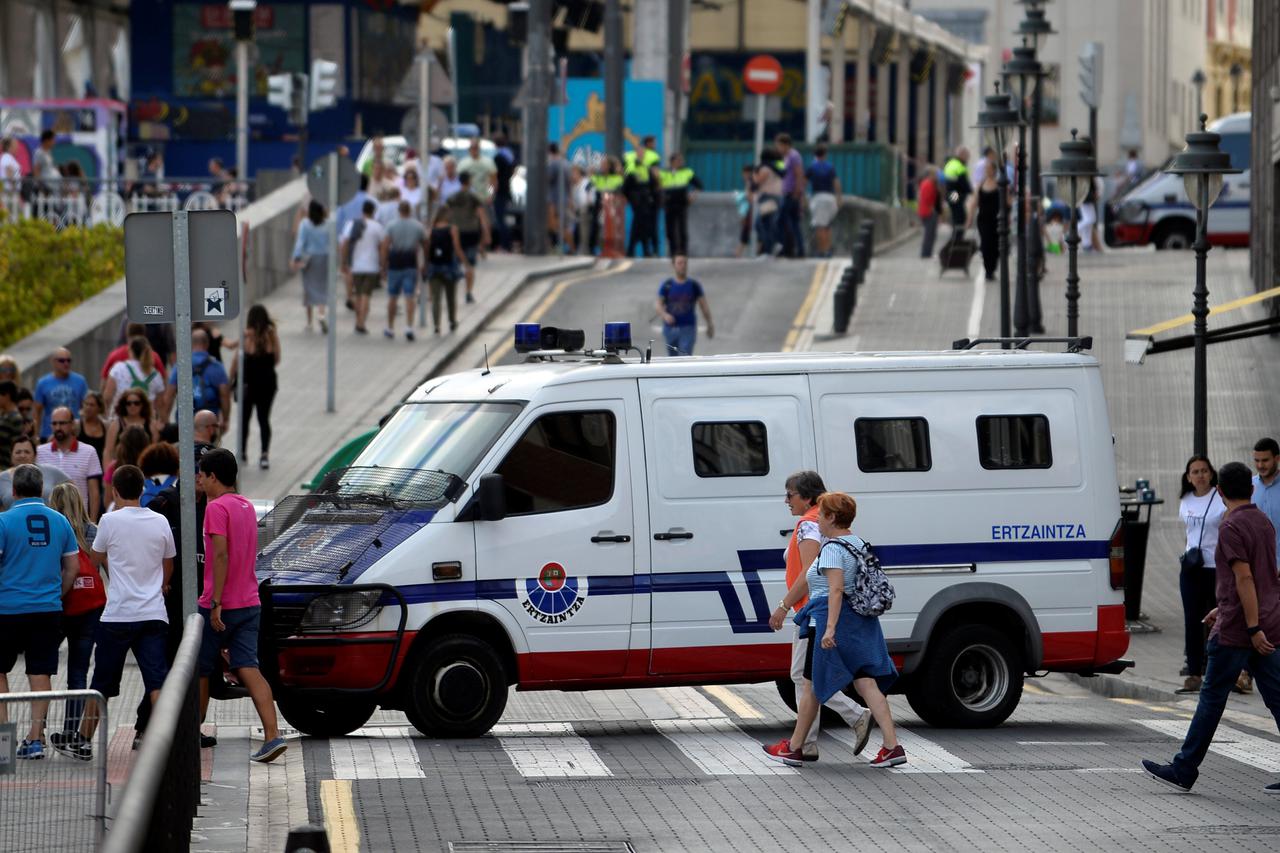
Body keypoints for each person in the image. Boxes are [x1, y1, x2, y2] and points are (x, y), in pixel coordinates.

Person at [1142, 461, 1280, 795]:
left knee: (1211, 699)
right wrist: (1227, 605)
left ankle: (1184, 768)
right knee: (1277, 697)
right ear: (1250, 490)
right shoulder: (1263, 521)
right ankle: (1184, 767)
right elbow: (1262, 576)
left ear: (1219, 491)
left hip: (1239, 631)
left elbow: (1246, 578)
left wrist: (1249, 627)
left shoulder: (1231, 527)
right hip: (1266, 622)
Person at [762, 492, 904, 768]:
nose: (817, 519)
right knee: (865, 682)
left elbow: (835, 589)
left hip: (830, 622)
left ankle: (793, 748)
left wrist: (829, 630)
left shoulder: (832, 549)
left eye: (821, 514)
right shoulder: (859, 543)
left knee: (812, 684)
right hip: (861, 623)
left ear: (831, 517)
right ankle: (892, 746)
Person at [54, 464, 175, 760]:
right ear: (143, 490)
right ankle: (168, 739)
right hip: (153, 612)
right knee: (156, 680)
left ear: (115, 491)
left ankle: (83, 740)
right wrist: (161, 585)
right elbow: (168, 562)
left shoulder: (109, 521)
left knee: (102, 683)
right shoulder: (160, 521)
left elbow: (95, 558)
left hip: (119, 614)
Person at [767, 472, 872, 762]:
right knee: (806, 676)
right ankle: (807, 743)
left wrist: (784, 605)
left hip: (810, 609)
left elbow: (808, 572)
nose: (787, 500)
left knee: (804, 676)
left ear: (807, 496)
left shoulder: (807, 526)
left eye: (790, 494)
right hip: (821, 608)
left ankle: (854, 717)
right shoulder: (823, 521)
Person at [196, 449, 287, 763]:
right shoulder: (246, 506)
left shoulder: (216, 508)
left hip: (221, 604)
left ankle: (192, 732)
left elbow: (220, 555)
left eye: (201, 475)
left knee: (200, 670)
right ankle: (273, 735)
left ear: (213, 477)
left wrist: (217, 604)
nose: (198, 480)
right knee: (249, 667)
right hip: (250, 600)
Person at [0, 464, 80, 760]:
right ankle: (35, 739)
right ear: (41, 488)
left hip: (6, 609)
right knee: (39, 672)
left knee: (0, 672)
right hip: (47, 610)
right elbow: (71, 568)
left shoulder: (3, 521)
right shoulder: (60, 522)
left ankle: (3, 745)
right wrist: (55, 595)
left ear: (14, 490)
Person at [47, 481, 103, 751]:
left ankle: (38, 728)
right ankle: (71, 730)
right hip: (90, 608)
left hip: (58, 606)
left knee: (41, 669)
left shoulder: (53, 530)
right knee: (79, 671)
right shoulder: (93, 531)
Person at [1176, 456, 1226, 694]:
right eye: (1195, 472)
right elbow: (1189, 532)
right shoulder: (1185, 499)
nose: (1200, 475)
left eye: (1204, 471)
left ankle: (1222, 671)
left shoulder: (1220, 499)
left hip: (1215, 568)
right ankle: (1194, 672)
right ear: (1188, 477)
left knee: (1219, 620)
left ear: (1211, 473)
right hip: (1192, 568)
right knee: (1192, 620)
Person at [232, 305, 280, 470]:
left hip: (248, 385)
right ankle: (264, 454)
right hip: (268, 385)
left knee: (244, 419)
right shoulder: (271, 335)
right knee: (263, 419)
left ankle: (242, 452)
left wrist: (231, 380)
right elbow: (277, 359)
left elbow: (236, 360)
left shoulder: (246, 337)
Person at [37, 406, 102, 518]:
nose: (58, 427)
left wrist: (92, 523)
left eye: (62, 423)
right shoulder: (40, 452)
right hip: (47, 519)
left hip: (78, 520)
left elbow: (94, 492)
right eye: (54, 423)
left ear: (72, 424)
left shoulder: (89, 451)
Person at [160, 329, 231, 428]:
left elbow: (169, 394)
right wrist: (226, 419)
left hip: (185, 420)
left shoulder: (180, 365)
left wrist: (164, 419)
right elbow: (225, 394)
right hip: (209, 421)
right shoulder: (216, 366)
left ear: (190, 344)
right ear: (207, 344)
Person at [381, 201, 428, 341]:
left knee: (392, 297)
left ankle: (390, 327)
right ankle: (409, 326)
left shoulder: (391, 225)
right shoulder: (418, 226)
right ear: (410, 211)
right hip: (410, 261)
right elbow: (425, 244)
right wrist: (425, 262)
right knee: (409, 296)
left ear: (398, 211)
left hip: (395, 261)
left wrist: (383, 265)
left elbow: (385, 246)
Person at [445, 172, 490, 305]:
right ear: (469, 181)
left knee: (454, 264)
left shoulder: (452, 197)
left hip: (456, 232)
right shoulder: (473, 197)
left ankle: (451, 293)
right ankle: (468, 292)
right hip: (471, 233)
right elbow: (481, 216)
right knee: (470, 265)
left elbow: (447, 214)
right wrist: (486, 234)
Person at [656, 255, 714, 357]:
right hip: (670, 329)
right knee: (672, 360)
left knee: (684, 358)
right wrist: (665, 315)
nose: (683, 266)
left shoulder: (693, 285)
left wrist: (709, 324)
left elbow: (704, 306)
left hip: (688, 328)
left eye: (685, 263)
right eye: (679, 263)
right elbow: (658, 305)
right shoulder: (667, 285)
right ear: (673, 265)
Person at [426, 207, 468, 334]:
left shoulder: (431, 230)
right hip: (449, 267)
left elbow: (427, 249)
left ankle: (436, 325)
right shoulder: (452, 229)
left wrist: (426, 265)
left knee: (436, 298)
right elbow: (456, 247)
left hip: (434, 267)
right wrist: (466, 263)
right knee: (451, 297)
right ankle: (452, 321)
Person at [290, 200, 330, 333]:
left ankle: (309, 322)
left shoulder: (305, 224)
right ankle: (322, 315)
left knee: (308, 289)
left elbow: (300, 242)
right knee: (322, 288)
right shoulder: (328, 224)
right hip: (324, 258)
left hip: (309, 259)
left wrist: (296, 258)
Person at [33, 348, 89, 441]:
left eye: (69, 360)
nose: (66, 363)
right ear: (53, 362)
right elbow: (37, 412)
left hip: (74, 434)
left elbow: (85, 407)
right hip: (49, 433)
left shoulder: (80, 381)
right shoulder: (43, 383)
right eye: (62, 360)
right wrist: (36, 435)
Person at [0, 436, 69, 510]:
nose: (22, 455)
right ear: (11, 455)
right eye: (18, 452)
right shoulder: (1, 478)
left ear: (35, 455)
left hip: (50, 520)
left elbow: (71, 491)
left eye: (27, 452)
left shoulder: (51, 471)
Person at [103, 335, 165, 413]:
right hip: (146, 421)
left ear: (130, 350)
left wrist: (107, 414)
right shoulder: (155, 375)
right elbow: (160, 404)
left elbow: (107, 397)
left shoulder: (118, 369)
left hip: (122, 419)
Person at [966, 148, 1002, 282]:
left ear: (994, 170)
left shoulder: (1000, 185)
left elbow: (1008, 202)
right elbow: (974, 203)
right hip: (984, 220)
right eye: (986, 169)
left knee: (996, 246)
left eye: (989, 168)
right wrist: (969, 219)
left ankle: (993, 267)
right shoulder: (980, 185)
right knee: (986, 245)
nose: (987, 170)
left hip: (997, 220)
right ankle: (988, 270)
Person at [104, 389, 161, 471]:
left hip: (146, 470)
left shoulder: (151, 425)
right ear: (124, 405)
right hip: (121, 470)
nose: (132, 406)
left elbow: (156, 450)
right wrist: (108, 472)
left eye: (136, 403)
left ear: (142, 405)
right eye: (128, 403)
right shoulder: (115, 425)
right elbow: (108, 451)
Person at [659, 153, 702, 258]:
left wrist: (693, 196)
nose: (681, 162)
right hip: (669, 204)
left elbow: (699, 184)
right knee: (670, 230)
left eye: (681, 160)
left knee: (682, 229)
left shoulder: (687, 172)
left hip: (682, 203)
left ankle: (683, 252)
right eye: (678, 160)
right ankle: (673, 252)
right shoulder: (664, 173)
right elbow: (658, 186)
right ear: (672, 162)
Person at [103, 424, 152, 511]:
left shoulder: (113, 468)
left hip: (118, 516)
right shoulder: (152, 468)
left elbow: (107, 501)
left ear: (123, 445)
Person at [806, 144, 842, 258]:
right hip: (830, 198)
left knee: (820, 226)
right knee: (827, 226)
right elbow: (836, 183)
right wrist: (839, 198)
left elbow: (803, 183)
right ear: (825, 154)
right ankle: (828, 249)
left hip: (818, 197)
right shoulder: (830, 167)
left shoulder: (812, 167)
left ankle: (823, 250)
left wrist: (802, 198)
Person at [100, 323, 166, 382]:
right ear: (144, 335)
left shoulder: (115, 356)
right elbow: (163, 382)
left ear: (127, 335)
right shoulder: (153, 356)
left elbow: (104, 381)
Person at [776, 133, 806, 258]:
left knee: (780, 221)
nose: (777, 148)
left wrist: (797, 192)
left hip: (792, 194)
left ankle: (788, 247)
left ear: (785, 144)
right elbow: (781, 171)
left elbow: (799, 174)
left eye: (779, 145)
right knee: (793, 224)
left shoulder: (794, 156)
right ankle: (796, 249)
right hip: (785, 193)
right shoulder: (785, 157)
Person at [1252, 437, 1280, 561]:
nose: (1260, 465)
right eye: (1256, 460)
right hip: (1257, 566)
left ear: (1277, 458)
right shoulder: (1248, 486)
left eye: (1265, 460)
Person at [753, 149, 785, 257]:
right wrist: (780, 159)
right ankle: (774, 245)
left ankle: (769, 250)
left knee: (761, 224)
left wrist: (754, 175)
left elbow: (757, 182)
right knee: (770, 224)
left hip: (768, 197)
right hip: (777, 197)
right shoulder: (777, 167)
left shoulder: (765, 168)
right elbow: (783, 170)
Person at [492, 133, 517, 250]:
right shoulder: (509, 154)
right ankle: (509, 243)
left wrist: (493, 191)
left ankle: (505, 244)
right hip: (507, 189)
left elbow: (495, 176)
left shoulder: (498, 157)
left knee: (500, 219)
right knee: (505, 218)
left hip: (500, 191)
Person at [458, 138, 497, 207]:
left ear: (479, 148)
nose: (474, 150)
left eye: (476, 147)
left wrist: (490, 196)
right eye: (472, 147)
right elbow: (459, 182)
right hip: (468, 199)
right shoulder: (463, 163)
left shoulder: (488, 162)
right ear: (469, 149)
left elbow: (493, 182)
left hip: (483, 198)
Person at [943, 147, 972, 235]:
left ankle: (956, 235)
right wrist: (971, 191)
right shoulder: (959, 166)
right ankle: (957, 238)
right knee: (959, 216)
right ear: (962, 155)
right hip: (956, 194)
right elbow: (963, 183)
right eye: (967, 156)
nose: (968, 158)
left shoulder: (950, 163)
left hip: (950, 193)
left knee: (956, 215)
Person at [78, 391, 108, 466]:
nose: (88, 407)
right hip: (81, 465)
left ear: (99, 408)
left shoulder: (106, 426)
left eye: (92, 405)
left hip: (99, 466)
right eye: (86, 404)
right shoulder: (76, 425)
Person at [0, 381, 25, 469]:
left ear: (6, 396)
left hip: (6, 466)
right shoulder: (4, 415)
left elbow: (16, 443)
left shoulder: (15, 418)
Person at [918, 164, 940, 258]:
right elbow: (927, 199)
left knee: (931, 234)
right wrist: (932, 209)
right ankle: (926, 253)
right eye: (935, 174)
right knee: (929, 234)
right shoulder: (928, 184)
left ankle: (928, 252)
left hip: (927, 211)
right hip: (928, 212)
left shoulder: (929, 183)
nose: (936, 176)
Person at [734, 164, 755, 258]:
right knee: (746, 234)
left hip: (750, 211)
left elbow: (749, 198)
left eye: (744, 173)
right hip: (748, 211)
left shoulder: (750, 182)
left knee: (745, 234)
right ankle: (738, 254)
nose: (743, 175)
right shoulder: (750, 182)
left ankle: (738, 255)